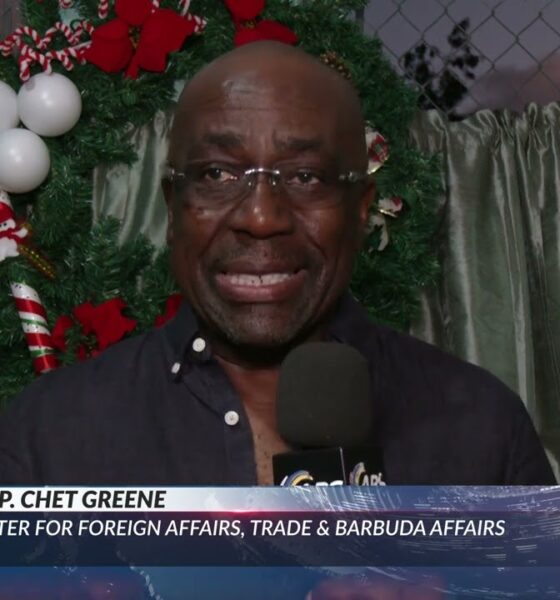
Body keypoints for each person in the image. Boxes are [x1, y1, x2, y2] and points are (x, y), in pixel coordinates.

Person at [0, 41, 554, 486]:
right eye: (218, 174)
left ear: (361, 209)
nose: (262, 217)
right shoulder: (48, 436)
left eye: (305, 176)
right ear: (173, 207)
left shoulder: (482, 430)